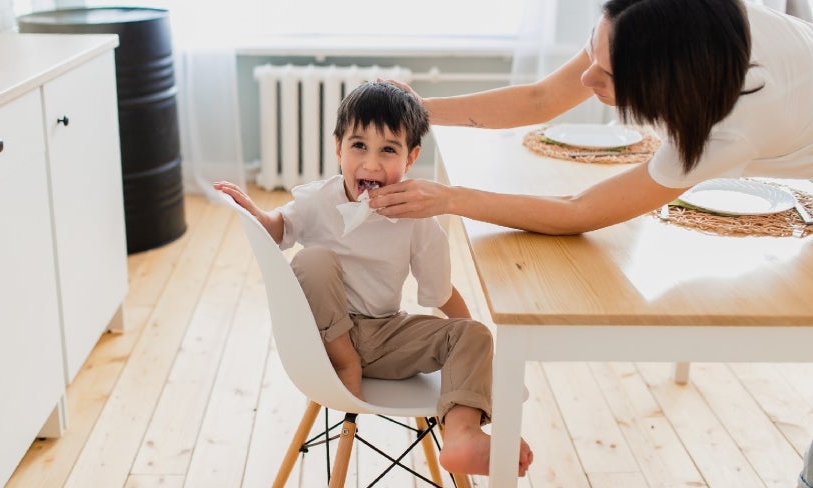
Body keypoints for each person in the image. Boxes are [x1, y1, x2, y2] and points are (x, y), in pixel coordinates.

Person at [214, 81, 533, 477]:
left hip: (384, 336)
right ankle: (346, 360)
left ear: (411, 158)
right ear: (338, 149)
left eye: (388, 150)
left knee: (474, 333)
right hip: (322, 344)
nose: (371, 163)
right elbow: (280, 230)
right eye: (359, 146)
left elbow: (440, 293)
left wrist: (478, 353)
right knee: (313, 261)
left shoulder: (418, 219)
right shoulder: (318, 200)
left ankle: (462, 433)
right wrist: (258, 216)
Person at [367, 0, 813, 236]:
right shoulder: (651, 23)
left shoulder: (733, 127)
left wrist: (449, 198)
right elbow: (541, 99)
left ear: (666, 84)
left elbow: (579, 212)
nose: (585, 77)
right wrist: (421, 111)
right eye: (593, 54)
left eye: (607, 74)